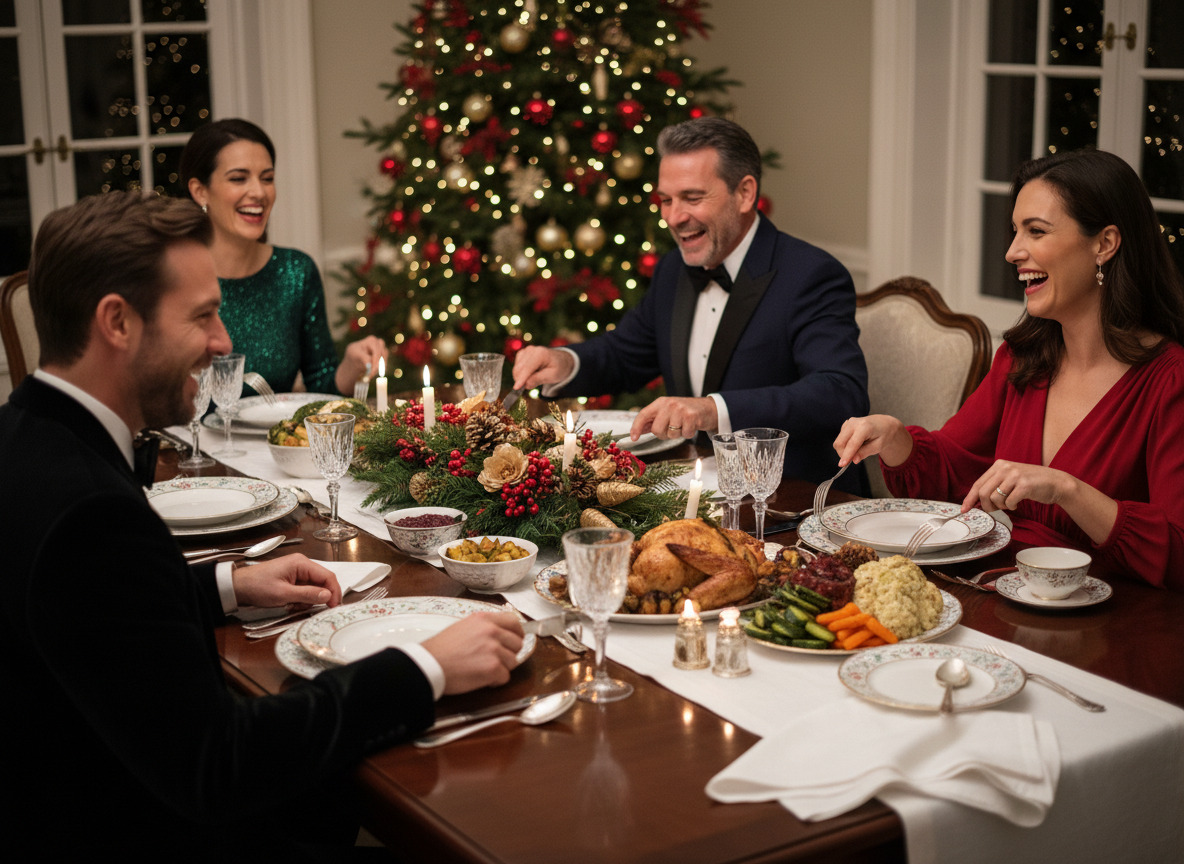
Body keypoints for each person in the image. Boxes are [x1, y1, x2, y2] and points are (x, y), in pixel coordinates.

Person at [1, 191, 526, 859]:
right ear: (117, 322)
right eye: (203, 316)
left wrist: (228, 583)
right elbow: (218, 763)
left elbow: (89, 614)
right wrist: (423, 667)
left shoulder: (26, 437)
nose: (224, 342)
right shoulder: (90, 514)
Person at [834, 149, 1184, 590]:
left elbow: (1177, 551)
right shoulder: (1023, 358)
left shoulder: (1170, 380)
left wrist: (1067, 490)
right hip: (1003, 592)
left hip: (1114, 623)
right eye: (1015, 232)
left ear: (1104, 244)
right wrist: (895, 437)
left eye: (1035, 231)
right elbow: (951, 471)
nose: (1012, 252)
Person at [511, 117, 868, 490]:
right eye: (666, 200)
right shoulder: (674, 269)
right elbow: (627, 353)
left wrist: (712, 410)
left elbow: (839, 393)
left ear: (745, 193)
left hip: (791, 499)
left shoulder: (810, 274)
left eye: (693, 198)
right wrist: (566, 362)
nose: (674, 217)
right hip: (696, 486)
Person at [180, 118, 385, 395]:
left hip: (273, 438)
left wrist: (351, 364)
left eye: (267, 178)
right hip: (189, 438)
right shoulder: (175, 276)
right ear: (200, 191)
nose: (259, 192)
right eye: (239, 178)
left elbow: (322, 392)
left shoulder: (295, 271)